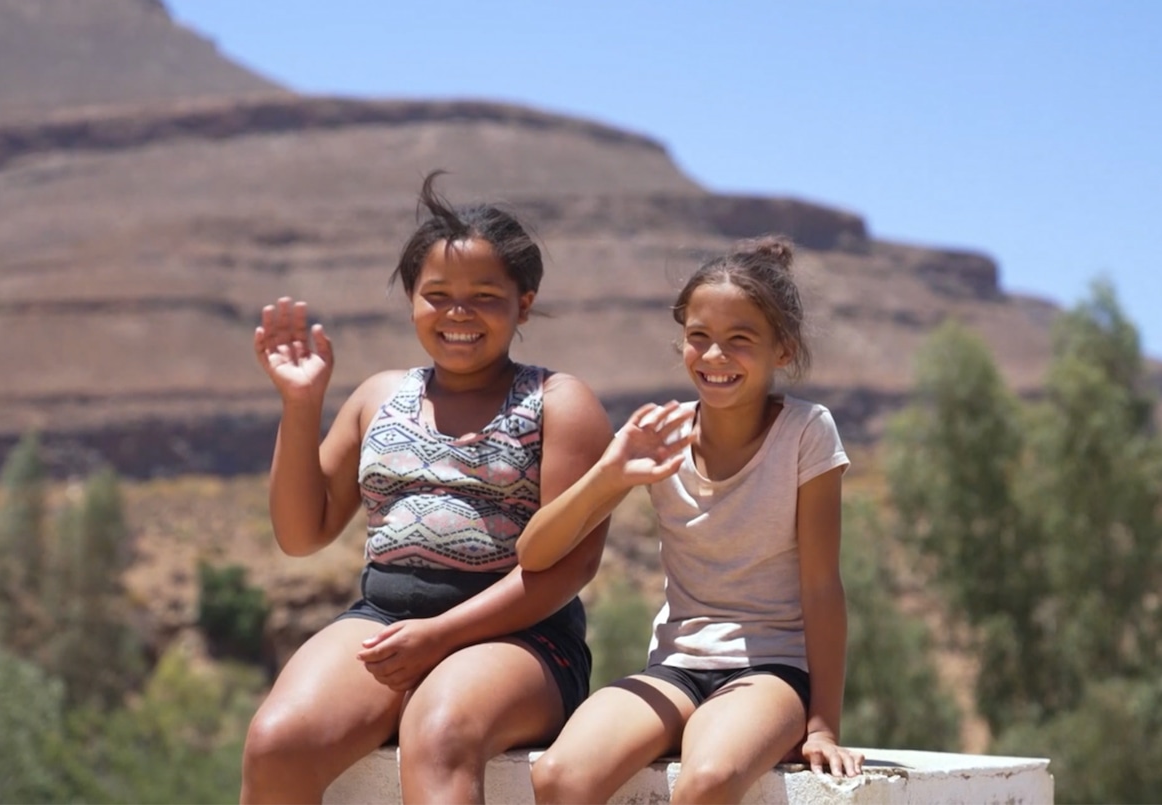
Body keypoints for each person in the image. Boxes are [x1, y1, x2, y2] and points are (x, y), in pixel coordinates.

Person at [240, 171, 614, 805]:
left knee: (439, 738)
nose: (458, 313)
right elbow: (302, 534)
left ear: (523, 303)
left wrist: (440, 638)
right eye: (436, 294)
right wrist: (302, 404)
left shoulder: (559, 402)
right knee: (278, 743)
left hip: (522, 638)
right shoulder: (379, 397)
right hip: (385, 621)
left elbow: (569, 566)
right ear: (411, 299)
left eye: (484, 295)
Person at [519, 236, 866, 804]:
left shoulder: (807, 432)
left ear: (782, 349)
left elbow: (822, 587)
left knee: (705, 782)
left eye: (739, 340)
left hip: (771, 670)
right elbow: (534, 553)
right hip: (675, 667)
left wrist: (823, 724)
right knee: (560, 776)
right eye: (699, 338)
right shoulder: (660, 435)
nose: (714, 356)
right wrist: (610, 473)